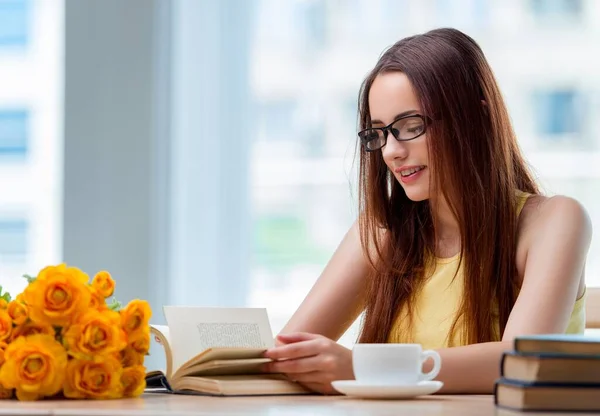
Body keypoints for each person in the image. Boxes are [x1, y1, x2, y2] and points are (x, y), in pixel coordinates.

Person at [261, 27, 592, 394]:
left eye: (410, 126)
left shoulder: (554, 222)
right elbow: (285, 356)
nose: (390, 152)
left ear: (476, 119)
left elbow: (521, 360)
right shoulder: (380, 233)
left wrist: (364, 368)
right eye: (379, 133)